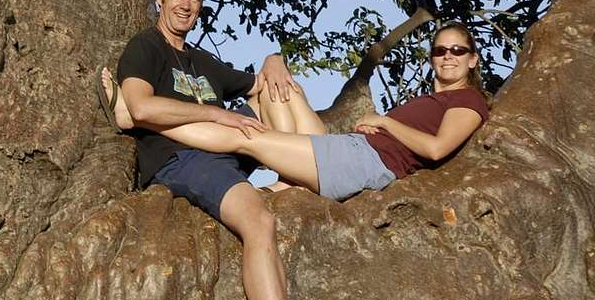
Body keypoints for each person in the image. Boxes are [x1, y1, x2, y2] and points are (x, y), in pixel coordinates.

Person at [103, 0, 342, 300]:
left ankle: (307, 171)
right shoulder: (146, 47)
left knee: (280, 92)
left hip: (226, 152)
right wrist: (213, 111)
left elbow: (256, 86)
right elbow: (141, 106)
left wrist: (273, 60)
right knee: (258, 221)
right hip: (186, 157)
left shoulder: (202, 61)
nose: (186, 6)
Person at [105, 21, 490, 203]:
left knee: (248, 135)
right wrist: (275, 59)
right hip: (350, 152)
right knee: (283, 90)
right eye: (440, 50)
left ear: (472, 60)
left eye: (457, 51)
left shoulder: (467, 100)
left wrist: (386, 121)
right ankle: (274, 187)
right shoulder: (434, 99)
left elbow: (438, 148)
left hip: (362, 162)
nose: (447, 57)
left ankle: (139, 117)